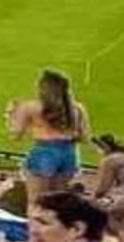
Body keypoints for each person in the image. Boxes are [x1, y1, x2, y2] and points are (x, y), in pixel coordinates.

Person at [7, 69, 88, 203]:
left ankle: (34, 224)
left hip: (44, 152)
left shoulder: (31, 107)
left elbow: (15, 135)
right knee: (58, 201)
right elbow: (83, 136)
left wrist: (11, 116)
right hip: (69, 153)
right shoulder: (77, 108)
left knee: (36, 201)